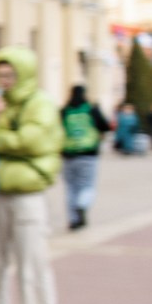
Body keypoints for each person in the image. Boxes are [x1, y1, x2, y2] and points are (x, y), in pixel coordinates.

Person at [0, 48, 64, 304]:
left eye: (9, 75)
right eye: (0, 75)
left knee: (33, 262)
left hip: (29, 193)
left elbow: (32, 141)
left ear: (23, 74)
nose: (4, 81)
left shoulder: (42, 104)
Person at [58, 84, 111, 229]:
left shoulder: (64, 111)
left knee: (71, 188)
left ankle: (73, 219)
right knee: (87, 185)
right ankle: (82, 204)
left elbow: (56, 129)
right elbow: (105, 126)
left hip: (68, 154)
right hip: (88, 154)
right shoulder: (91, 109)